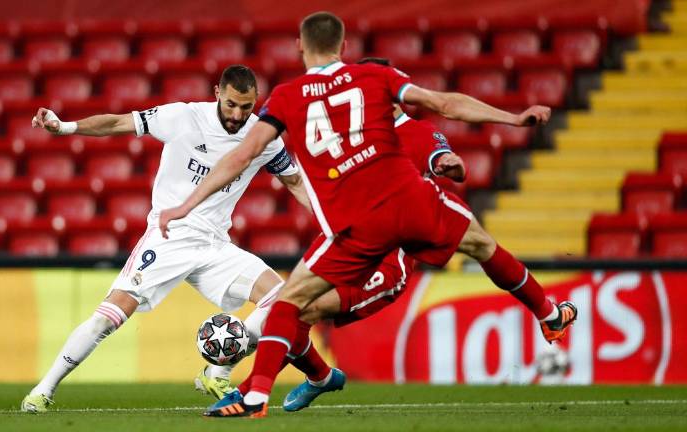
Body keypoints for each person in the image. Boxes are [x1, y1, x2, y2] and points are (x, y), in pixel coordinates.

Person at [158, 12, 578, 418]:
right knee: (481, 244)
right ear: (344, 47)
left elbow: (243, 154)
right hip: (407, 202)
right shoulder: (374, 80)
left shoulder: (289, 96)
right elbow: (445, 104)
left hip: (363, 231)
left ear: (300, 46)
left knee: (291, 303)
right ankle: (549, 314)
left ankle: (255, 394)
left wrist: (185, 205)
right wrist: (512, 119)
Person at [20, 64, 335, 413]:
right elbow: (118, 122)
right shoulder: (183, 117)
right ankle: (43, 389)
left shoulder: (263, 138)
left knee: (283, 303)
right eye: (231, 104)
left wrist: (329, 220)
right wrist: (65, 127)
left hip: (216, 245)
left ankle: (217, 370)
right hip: (169, 236)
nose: (237, 114)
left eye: (246, 107)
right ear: (217, 92)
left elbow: (294, 182)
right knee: (107, 317)